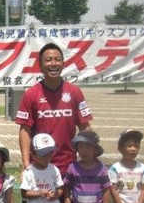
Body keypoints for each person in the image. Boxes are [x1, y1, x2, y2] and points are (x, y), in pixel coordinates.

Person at [15, 42, 93, 176]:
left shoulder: (75, 92)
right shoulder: (31, 94)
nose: (53, 63)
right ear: (40, 65)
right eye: (48, 60)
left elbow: (85, 127)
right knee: (37, 197)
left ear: (63, 64)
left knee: (68, 198)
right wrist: (25, 161)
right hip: (39, 166)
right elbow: (25, 130)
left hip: (68, 166)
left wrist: (92, 155)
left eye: (57, 59)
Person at [62, 130, 111, 203]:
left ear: (95, 150)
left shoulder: (102, 170)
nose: (84, 150)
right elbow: (67, 187)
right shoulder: (73, 167)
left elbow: (106, 190)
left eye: (88, 147)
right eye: (80, 147)